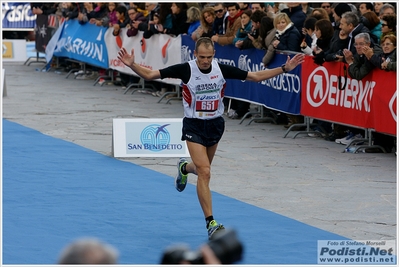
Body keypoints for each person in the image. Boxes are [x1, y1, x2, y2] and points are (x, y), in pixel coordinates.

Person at [117, 37, 305, 240]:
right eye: (202, 57)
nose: (205, 61)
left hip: (215, 125)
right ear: (195, 54)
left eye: (209, 57)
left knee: (200, 170)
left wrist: (285, 68)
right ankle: (211, 223)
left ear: (214, 54)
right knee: (205, 173)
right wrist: (133, 65)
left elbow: (256, 76)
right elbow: (152, 74)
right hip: (194, 125)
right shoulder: (186, 69)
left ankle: (184, 168)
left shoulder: (221, 69)